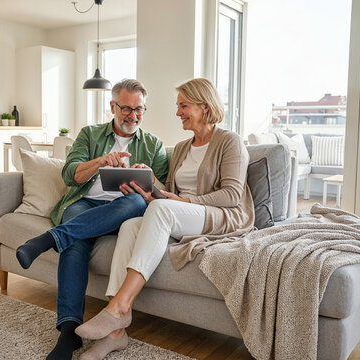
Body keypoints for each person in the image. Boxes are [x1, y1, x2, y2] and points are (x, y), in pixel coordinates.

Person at [74, 78, 255, 360]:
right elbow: (171, 192)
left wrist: (181, 202)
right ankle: (115, 335)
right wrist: (150, 181)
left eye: (183, 105)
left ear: (204, 107)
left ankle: (119, 308)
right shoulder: (183, 147)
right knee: (131, 224)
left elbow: (231, 194)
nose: (178, 112)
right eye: (178, 106)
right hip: (183, 213)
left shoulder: (229, 141)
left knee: (160, 211)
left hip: (222, 217)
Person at [15, 79, 168, 360]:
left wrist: (149, 178)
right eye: (126, 108)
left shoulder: (153, 145)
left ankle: (51, 238)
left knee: (133, 200)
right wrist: (100, 162)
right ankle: (68, 332)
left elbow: (162, 195)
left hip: (126, 209)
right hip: (85, 205)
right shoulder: (90, 134)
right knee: (77, 242)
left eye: (139, 110)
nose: (133, 116)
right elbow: (69, 174)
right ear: (112, 106)